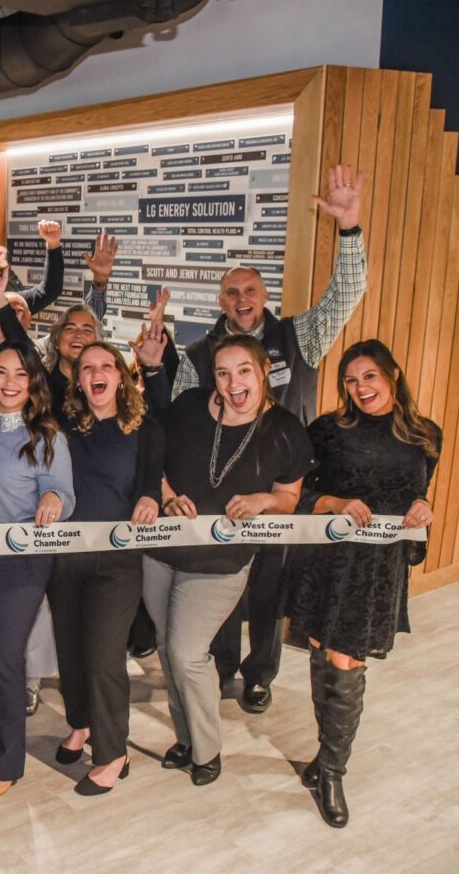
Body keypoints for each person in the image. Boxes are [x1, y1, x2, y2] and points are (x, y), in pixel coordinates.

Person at [178, 167, 368, 712]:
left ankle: (259, 673)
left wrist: (349, 227)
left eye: (251, 290)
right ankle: (218, 668)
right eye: (232, 292)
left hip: (282, 487)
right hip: (217, 487)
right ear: (221, 299)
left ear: (265, 295)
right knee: (214, 583)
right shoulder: (197, 355)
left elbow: (346, 296)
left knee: (268, 587)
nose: (242, 299)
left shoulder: (297, 335)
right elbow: (186, 422)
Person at [285, 340, 440, 827]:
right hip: (328, 560)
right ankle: (321, 757)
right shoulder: (328, 429)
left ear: (392, 374)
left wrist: (423, 513)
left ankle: (332, 770)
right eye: (351, 380)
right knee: (320, 647)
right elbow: (300, 491)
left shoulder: (425, 436)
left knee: (345, 657)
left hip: (377, 570)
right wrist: (332, 502)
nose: (360, 388)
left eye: (369, 376)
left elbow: (418, 496)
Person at [149, 334, 314, 786]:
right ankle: (185, 739)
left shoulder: (284, 428)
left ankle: (206, 751)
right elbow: (154, 461)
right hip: (161, 551)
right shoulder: (187, 406)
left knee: (187, 652)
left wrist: (264, 499)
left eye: (243, 370)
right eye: (223, 372)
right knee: (167, 650)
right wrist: (165, 497)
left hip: (222, 562)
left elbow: (289, 497)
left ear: (263, 370)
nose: (233, 382)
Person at [0, 340, 74, 802]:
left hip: (20, 566)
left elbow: (64, 491)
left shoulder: (47, 438)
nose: (8, 382)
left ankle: (8, 763)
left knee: (4, 660)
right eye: (1, 372)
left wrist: (53, 499)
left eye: (20, 374)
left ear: (33, 383)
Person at [49, 341, 164, 795]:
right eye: (87, 368)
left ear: (121, 374)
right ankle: (81, 723)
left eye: (106, 366)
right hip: (65, 557)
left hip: (116, 563)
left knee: (102, 655)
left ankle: (114, 750)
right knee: (70, 650)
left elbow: (149, 482)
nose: (97, 373)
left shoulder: (145, 427)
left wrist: (151, 498)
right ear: (77, 379)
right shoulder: (63, 426)